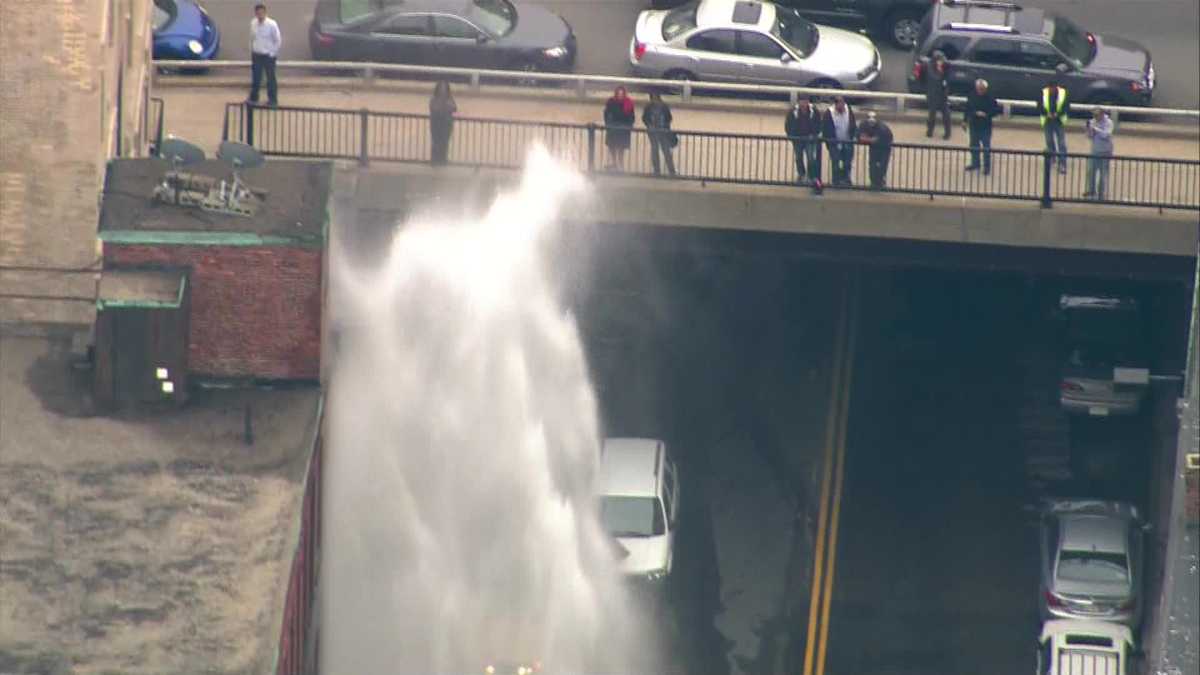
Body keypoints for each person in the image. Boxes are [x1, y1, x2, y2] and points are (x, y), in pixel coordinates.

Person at [1038, 65, 1071, 174]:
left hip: (1058, 121)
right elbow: (1039, 106)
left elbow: (1066, 106)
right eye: (1050, 88)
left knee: (1061, 143)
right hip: (1047, 121)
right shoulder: (1043, 93)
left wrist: (1057, 114)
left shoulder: (1063, 93)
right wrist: (1047, 114)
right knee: (1049, 141)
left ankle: (1063, 164)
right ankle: (1052, 157)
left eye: (1053, 88)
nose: (1052, 90)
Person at [963, 79, 1001, 174]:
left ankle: (986, 167)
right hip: (974, 124)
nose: (980, 90)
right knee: (973, 146)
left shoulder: (990, 97)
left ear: (985, 89)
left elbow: (996, 110)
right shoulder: (972, 95)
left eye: (982, 89)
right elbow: (967, 108)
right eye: (978, 89)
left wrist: (986, 114)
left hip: (985, 126)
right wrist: (965, 121)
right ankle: (975, 163)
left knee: (986, 147)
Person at [248, 3, 282, 107]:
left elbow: (278, 40)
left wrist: (273, 53)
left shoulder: (272, 24)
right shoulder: (253, 23)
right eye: (258, 13)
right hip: (257, 55)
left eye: (262, 13)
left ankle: (273, 100)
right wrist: (252, 49)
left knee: (270, 78)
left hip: (268, 56)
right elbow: (252, 37)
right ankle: (254, 98)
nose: (260, 15)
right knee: (256, 78)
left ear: (265, 13)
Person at [821, 96, 857, 186]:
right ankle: (836, 180)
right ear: (835, 105)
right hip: (834, 143)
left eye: (843, 104)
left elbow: (853, 124)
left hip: (848, 141)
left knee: (847, 162)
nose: (842, 107)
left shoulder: (848, 110)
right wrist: (830, 143)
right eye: (840, 105)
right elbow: (825, 129)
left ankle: (846, 178)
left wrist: (853, 136)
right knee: (836, 162)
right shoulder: (829, 113)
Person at [785, 97, 821, 184]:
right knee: (798, 157)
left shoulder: (814, 111)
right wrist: (791, 136)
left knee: (811, 158)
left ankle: (811, 175)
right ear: (799, 102)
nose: (804, 104)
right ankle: (801, 174)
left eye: (806, 101)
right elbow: (788, 124)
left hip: (810, 138)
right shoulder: (793, 111)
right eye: (802, 102)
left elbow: (819, 123)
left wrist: (815, 135)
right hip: (797, 139)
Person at [642, 92, 677, 177]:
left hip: (662, 131)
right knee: (657, 150)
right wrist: (650, 126)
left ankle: (669, 171)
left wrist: (664, 126)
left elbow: (669, 118)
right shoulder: (650, 107)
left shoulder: (660, 106)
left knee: (664, 150)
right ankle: (659, 170)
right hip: (654, 131)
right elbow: (645, 118)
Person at [857, 112, 893, 190]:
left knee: (882, 165)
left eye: (873, 122)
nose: (871, 123)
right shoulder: (863, 124)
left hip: (885, 145)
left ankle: (880, 182)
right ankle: (874, 183)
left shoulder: (882, 127)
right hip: (874, 147)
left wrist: (867, 139)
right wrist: (869, 139)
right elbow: (860, 138)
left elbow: (874, 140)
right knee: (872, 165)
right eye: (869, 121)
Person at [1084, 108, 1114, 200]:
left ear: (1102, 115)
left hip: (1106, 151)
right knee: (1091, 171)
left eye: (1097, 115)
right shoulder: (1092, 122)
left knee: (1103, 174)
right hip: (1095, 150)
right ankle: (1091, 191)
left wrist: (1096, 129)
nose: (1095, 118)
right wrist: (1089, 130)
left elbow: (1106, 135)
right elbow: (1089, 136)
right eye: (1094, 116)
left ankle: (1101, 194)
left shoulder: (1109, 122)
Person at [603, 87, 635, 171]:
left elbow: (632, 116)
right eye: (619, 94)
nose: (620, 95)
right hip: (613, 128)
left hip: (623, 129)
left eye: (622, 94)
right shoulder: (611, 102)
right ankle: (614, 163)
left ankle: (621, 164)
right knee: (612, 146)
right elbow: (606, 113)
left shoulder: (628, 102)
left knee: (621, 148)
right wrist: (608, 125)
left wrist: (629, 126)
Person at [924, 50, 951, 140]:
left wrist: (943, 70)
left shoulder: (945, 66)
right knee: (932, 113)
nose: (942, 61)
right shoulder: (930, 66)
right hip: (933, 94)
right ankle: (930, 131)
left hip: (943, 94)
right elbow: (935, 78)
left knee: (946, 114)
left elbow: (948, 76)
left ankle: (948, 132)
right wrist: (940, 71)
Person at [428, 81, 457, 166]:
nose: (442, 90)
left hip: (446, 124)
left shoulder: (450, 98)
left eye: (444, 88)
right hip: (436, 124)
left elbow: (454, 108)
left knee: (444, 142)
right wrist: (444, 107)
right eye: (441, 88)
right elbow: (433, 107)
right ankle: (434, 161)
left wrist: (445, 106)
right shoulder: (434, 98)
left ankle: (443, 160)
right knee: (436, 142)